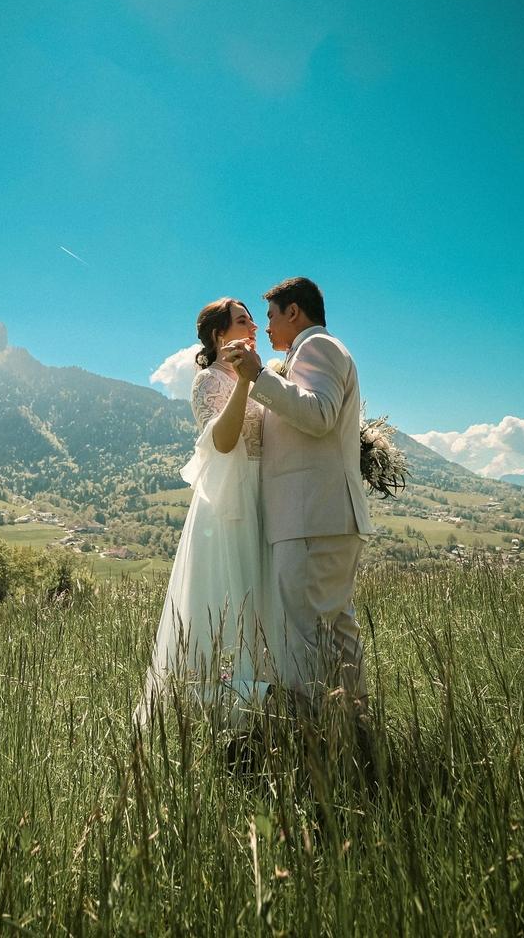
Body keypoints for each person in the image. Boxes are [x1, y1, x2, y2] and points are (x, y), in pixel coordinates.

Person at [223, 277, 374, 714]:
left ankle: (320, 730)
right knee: (332, 629)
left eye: (269, 316)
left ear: (294, 312)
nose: (265, 327)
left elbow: (321, 413)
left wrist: (259, 376)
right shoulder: (306, 354)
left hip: (311, 515)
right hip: (318, 515)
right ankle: (351, 721)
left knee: (307, 633)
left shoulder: (318, 347)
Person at [135, 297, 279, 729]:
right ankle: (223, 711)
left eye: (254, 320)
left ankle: (270, 706)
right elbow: (223, 442)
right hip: (229, 504)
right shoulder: (209, 382)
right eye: (242, 321)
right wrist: (242, 383)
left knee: (265, 602)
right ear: (220, 335)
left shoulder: (261, 377)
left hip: (263, 495)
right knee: (230, 598)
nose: (253, 327)